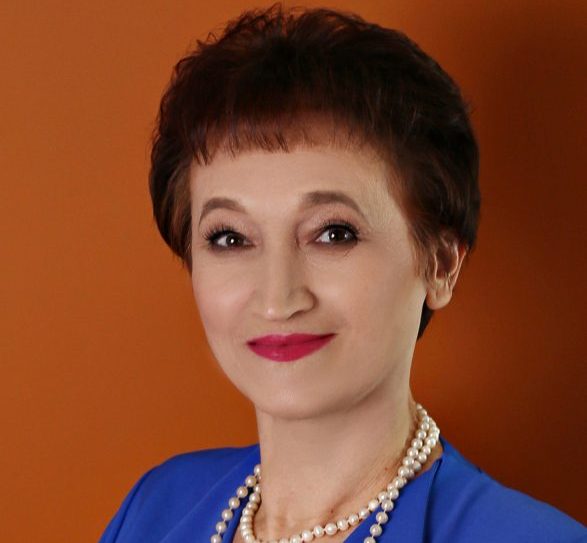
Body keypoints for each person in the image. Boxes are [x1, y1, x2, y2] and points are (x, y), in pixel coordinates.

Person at [98, 4, 586, 542]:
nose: (277, 298)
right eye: (230, 238)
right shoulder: (156, 510)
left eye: (333, 233)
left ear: (441, 264)